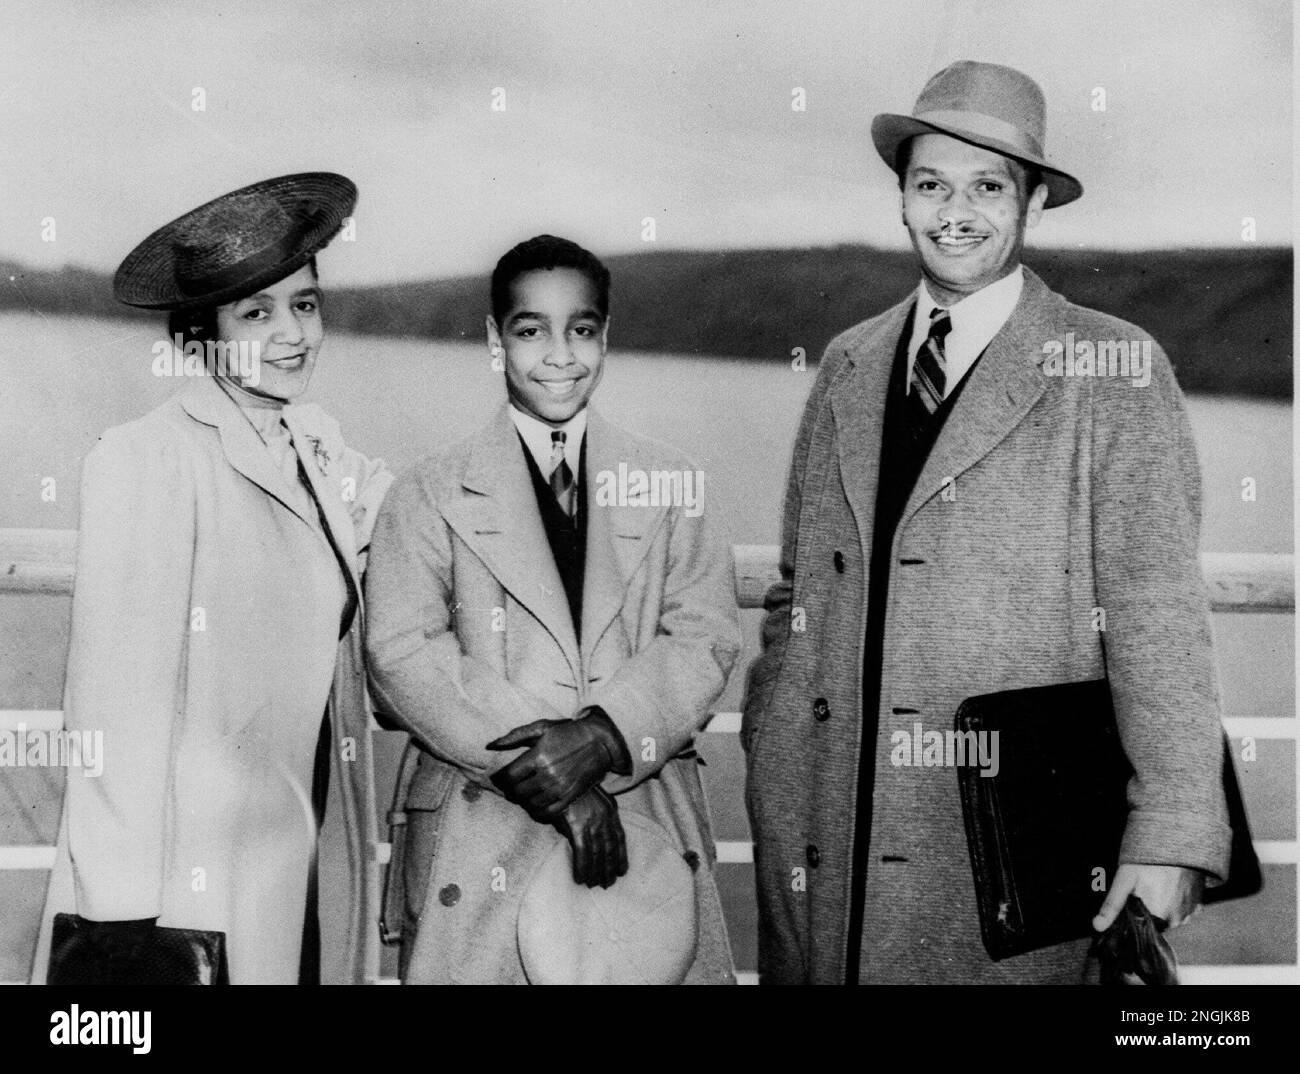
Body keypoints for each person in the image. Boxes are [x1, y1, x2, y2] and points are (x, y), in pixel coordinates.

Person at [743, 61, 1233, 984]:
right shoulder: (849, 362)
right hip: (822, 825)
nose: (953, 211)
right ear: (901, 199)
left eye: (986, 187)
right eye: (930, 185)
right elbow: (798, 586)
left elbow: (1157, 613)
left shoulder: (1115, 366)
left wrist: (1171, 831)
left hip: (1003, 851)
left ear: (1033, 204)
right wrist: (772, 733)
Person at [34, 173, 392, 984]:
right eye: (256, 314)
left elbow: (389, 522)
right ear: (200, 337)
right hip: (190, 888)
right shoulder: (150, 458)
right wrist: (123, 932)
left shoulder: (313, 447)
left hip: (303, 839)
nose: (292, 334)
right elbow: (112, 715)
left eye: (305, 305)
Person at [364, 234, 740, 984]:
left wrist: (603, 737)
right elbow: (401, 654)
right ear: (494, 340)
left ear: (607, 335)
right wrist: (558, 779)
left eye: (583, 329)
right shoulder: (428, 490)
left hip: (640, 821)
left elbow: (703, 636)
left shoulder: (671, 481)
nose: (560, 355)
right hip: (485, 824)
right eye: (531, 330)